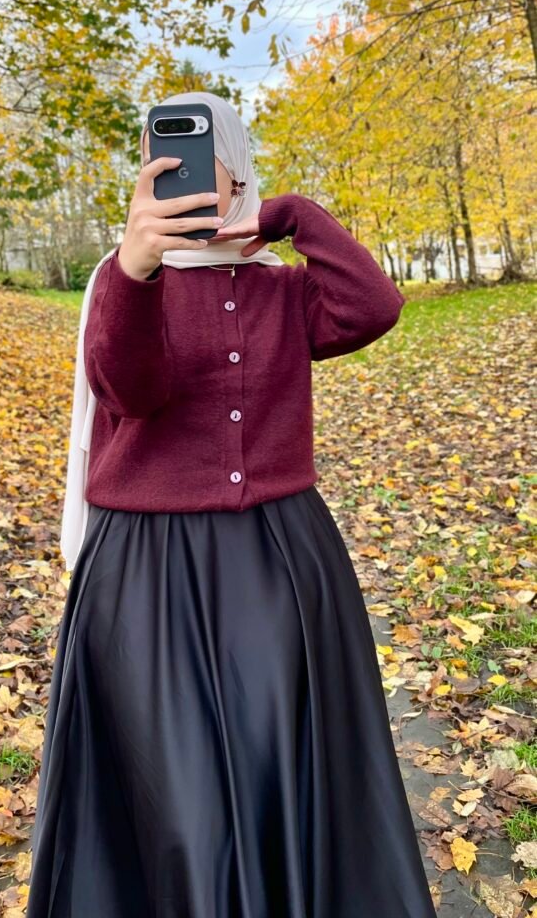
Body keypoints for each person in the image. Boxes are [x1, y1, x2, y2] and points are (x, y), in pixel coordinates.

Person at [25, 91, 437, 918]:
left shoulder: (283, 290)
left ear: (236, 164)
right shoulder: (121, 282)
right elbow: (132, 393)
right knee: (178, 801)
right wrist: (135, 270)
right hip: (147, 574)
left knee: (268, 761)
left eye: (203, 154)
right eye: (163, 158)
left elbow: (374, 306)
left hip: (277, 562)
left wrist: (293, 216)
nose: (183, 172)